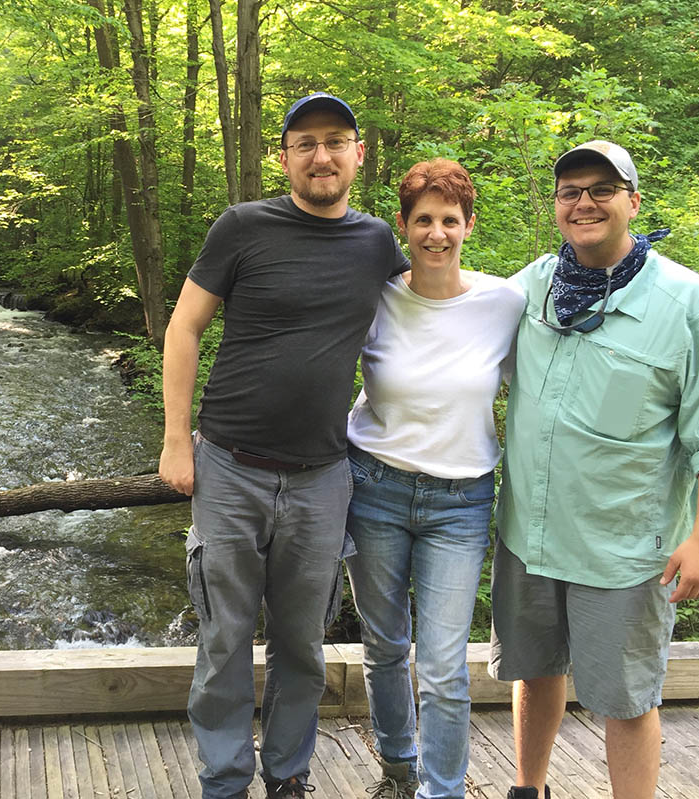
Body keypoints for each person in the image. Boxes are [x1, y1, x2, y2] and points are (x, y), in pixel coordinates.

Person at [158, 92, 409, 799]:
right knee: (224, 636)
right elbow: (183, 330)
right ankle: (227, 779)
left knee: (303, 642)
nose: (321, 155)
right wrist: (177, 441)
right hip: (229, 465)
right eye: (306, 144)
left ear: (359, 153)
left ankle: (288, 775)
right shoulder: (241, 228)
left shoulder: (376, 245)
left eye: (336, 141)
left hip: (325, 476)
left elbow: (430, 321)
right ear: (285, 157)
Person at [489, 140, 699, 799]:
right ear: (556, 207)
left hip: (625, 548)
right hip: (531, 535)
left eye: (602, 189)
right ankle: (530, 787)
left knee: (627, 697)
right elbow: (453, 352)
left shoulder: (689, 305)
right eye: (570, 191)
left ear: (633, 201)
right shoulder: (530, 290)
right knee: (534, 668)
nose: (585, 202)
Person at [343, 159, 525, 799]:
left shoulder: (505, 302)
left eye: (450, 219)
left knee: (445, 664)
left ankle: (441, 790)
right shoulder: (376, 295)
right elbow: (316, 359)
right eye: (424, 219)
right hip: (374, 489)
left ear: (469, 225)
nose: (437, 233)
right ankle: (397, 766)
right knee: (384, 643)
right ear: (404, 224)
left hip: (462, 502)